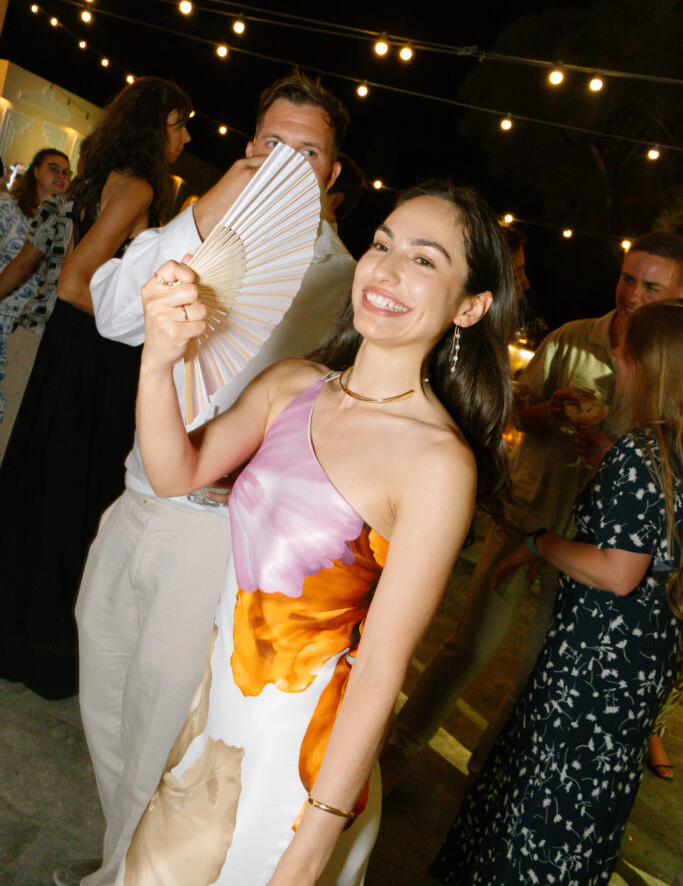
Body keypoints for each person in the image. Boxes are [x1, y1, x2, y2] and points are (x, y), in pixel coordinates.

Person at [113, 177, 516, 886]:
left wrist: (312, 839)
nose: (386, 270)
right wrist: (158, 359)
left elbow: (383, 666)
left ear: (470, 306)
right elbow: (177, 472)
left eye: (424, 260)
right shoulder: (290, 385)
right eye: (382, 244)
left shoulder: (436, 463)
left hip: (299, 773)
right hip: (211, 724)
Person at [72, 74, 357, 886]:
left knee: (161, 724)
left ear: (332, 175)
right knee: (105, 692)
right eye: (272, 144)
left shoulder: (338, 281)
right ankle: (122, 856)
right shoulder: (205, 228)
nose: (286, 163)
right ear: (247, 147)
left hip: (212, 531)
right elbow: (111, 306)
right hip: (135, 497)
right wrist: (197, 219)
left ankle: (121, 874)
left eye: (308, 153)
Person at [381, 231, 683, 791]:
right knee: (467, 646)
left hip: (593, 549)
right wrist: (546, 410)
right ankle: (398, 752)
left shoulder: (673, 365)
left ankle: (489, 779)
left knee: (539, 673)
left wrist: (608, 454)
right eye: (628, 278)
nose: (634, 294)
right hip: (529, 513)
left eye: (651, 285)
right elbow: (517, 409)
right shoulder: (574, 339)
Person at [431, 299, 683, 886]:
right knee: (589, 800)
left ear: (649, 367)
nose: (614, 362)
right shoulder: (668, 452)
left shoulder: (642, 450)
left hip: (594, 662)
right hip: (643, 662)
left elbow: (619, 570)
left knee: (545, 788)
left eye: (624, 354)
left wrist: (541, 544)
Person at [0, 77, 192, 702]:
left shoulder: (110, 178)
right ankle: (36, 642)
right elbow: (75, 283)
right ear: (153, 126)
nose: (186, 136)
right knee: (69, 494)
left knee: (48, 484)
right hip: (92, 356)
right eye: (178, 123)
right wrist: (144, 320)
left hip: (77, 352)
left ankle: (22, 631)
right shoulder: (135, 185)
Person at [0, 148, 71, 422]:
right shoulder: (7, 206)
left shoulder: (63, 220)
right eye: (53, 168)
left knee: (10, 401)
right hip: (2, 307)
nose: (61, 176)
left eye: (66, 172)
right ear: (36, 171)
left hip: (27, 324)